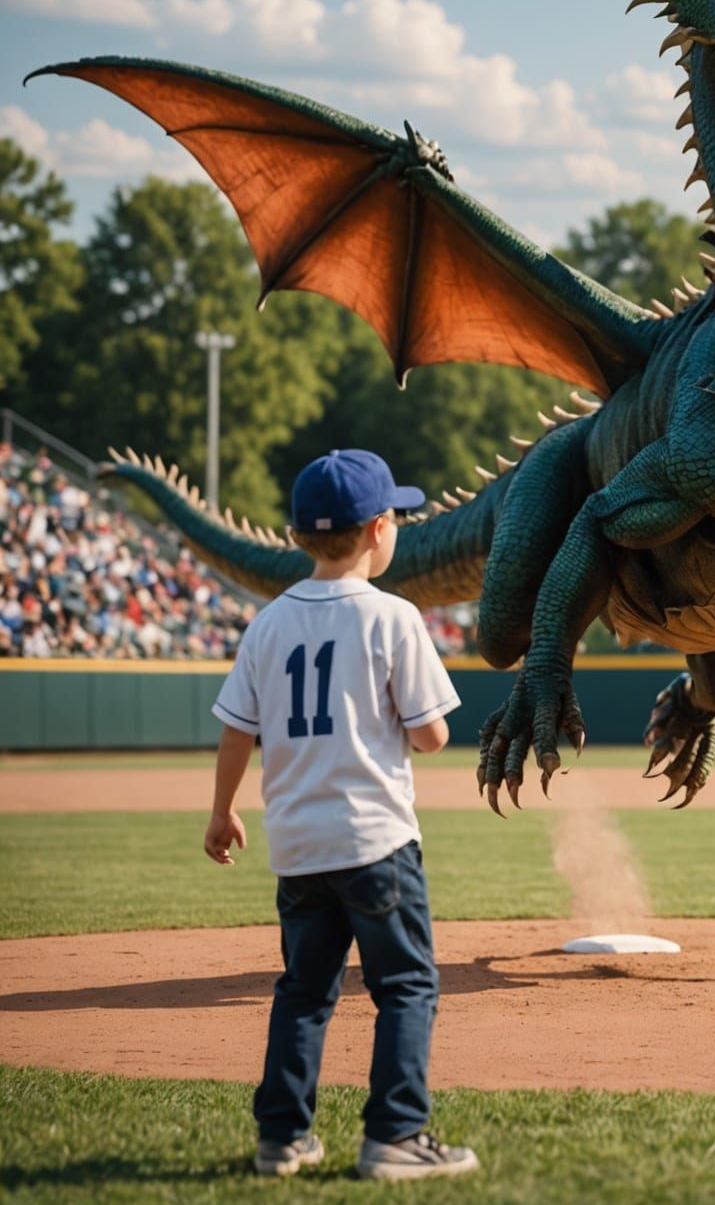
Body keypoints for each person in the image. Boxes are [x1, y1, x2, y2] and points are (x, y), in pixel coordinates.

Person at [203, 449, 479, 1181]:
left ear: (296, 536)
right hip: (376, 841)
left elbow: (238, 725)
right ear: (382, 529)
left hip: (297, 846)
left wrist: (222, 810)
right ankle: (394, 1135)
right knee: (406, 987)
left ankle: (281, 1138)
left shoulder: (267, 623)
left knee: (302, 992)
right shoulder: (393, 616)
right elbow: (430, 733)